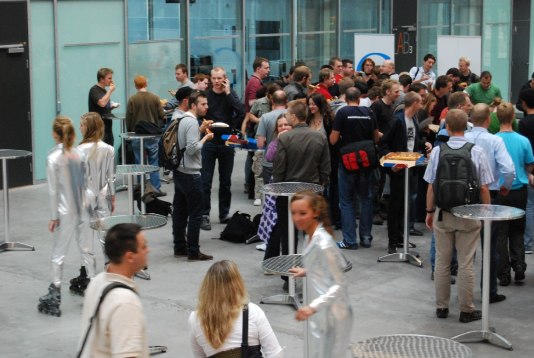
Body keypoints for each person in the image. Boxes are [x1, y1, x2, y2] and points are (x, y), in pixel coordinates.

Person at [424, 109, 493, 323]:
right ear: (467, 126)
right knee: (466, 262)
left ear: (447, 128)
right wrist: (484, 213)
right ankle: (466, 309)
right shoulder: (476, 151)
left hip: (443, 214)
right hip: (469, 213)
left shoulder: (437, 151)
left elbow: (431, 187)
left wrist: (429, 212)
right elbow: (483, 188)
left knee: (443, 262)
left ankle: (441, 307)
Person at [273, 100, 331, 290]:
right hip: (312, 193)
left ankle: (288, 277)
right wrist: (321, 186)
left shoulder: (285, 138)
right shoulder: (320, 137)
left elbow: (279, 169)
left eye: (288, 114)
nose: (287, 117)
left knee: (287, 236)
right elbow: (325, 167)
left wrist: (277, 192)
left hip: (289, 195)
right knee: (313, 235)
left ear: (294, 117)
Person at [288, 190, 352, 358]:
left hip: (334, 314)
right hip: (323, 311)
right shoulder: (309, 236)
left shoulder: (323, 243)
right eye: (294, 213)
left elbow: (339, 284)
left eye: (303, 213)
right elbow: (324, 267)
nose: (297, 218)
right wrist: (309, 270)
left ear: (315, 213)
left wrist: (312, 307)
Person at [39, 116, 92, 317]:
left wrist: (54, 217)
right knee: (87, 250)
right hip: (83, 208)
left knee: (58, 253)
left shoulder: (53, 158)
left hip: (65, 211)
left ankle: (54, 294)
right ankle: (95, 288)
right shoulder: (79, 153)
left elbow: (53, 191)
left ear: (55, 135)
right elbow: (86, 182)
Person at [465, 103, 515, 303]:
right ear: (488, 120)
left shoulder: (463, 139)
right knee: (490, 247)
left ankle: (465, 292)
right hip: (490, 195)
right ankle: (489, 291)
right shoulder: (495, 141)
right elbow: (509, 169)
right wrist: (506, 186)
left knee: (465, 248)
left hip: (465, 197)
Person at [77, 223, 150, 358]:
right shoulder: (125, 302)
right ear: (129, 257)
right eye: (143, 247)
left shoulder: (97, 282)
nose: (148, 250)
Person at [189, 260, 283, 358]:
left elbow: (199, 356)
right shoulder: (252, 311)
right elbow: (275, 353)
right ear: (237, 284)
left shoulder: (195, 318)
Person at [379, 92, 431, 254]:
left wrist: (424, 144)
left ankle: (401, 238)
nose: (421, 106)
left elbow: (411, 143)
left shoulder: (413, 121)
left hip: (410, 170)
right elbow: (383, 144)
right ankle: (392, 241)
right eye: (420, 103)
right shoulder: (397, 121)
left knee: (404, 205)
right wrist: (391, 165)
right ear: (414, 103)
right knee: (395, 206)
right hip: (399, 171)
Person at [71, 112, 116, 295]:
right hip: (103, 196)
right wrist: (112, 197)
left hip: (84, 198)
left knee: (85, 239)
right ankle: (111, 271)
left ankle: (89, 278)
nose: (79, 128)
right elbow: (111, 176)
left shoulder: (78, 151)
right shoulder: (109, 149)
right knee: (105, 234)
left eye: (82, 124)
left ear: (88, 127)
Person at [331, 87, 378, 249]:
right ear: (359, 99)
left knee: (346, 201)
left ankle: (350, 240)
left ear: (345, 99)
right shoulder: (369, 113)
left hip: (347, 161)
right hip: (366, 161)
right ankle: (365, 237)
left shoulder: (342, 113)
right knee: (366, 199)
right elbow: (376, 137)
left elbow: (333, 139)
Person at [200, 66, 245, 230]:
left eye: (220, 78)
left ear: (225, 78)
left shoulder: (230, 94)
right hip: (209, 140)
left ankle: (224, 213)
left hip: (228, 140)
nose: (217, 81)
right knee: (206, 181)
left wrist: (228, 92)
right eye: (214, 78)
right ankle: (204, 214)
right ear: (210, 79)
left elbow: (241, 111)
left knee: (226, 182)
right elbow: (199, 113)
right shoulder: (206, 96)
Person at [495, 101, 534, 286]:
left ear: (497, 117)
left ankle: (503, 272)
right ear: (513, 118)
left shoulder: (494, 140)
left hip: (501, 190)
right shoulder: (523, 140)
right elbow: (529, 163)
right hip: (519, 189)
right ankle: (519, 263)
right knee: (518, 228)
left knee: (502, 232)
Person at [173, 91, 215, 262]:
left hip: (180, 172)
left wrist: (200, 130)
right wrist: (206, 138)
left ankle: (179, 247)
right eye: (203, 104)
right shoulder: (190, 122)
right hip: (191, 173)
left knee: (180, 212)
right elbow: (192, 148)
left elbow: (185, 142)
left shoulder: (183, 119)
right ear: (193, 105)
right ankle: (193, 252)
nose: (207, 107)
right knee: (196, 214)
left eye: (206, 103)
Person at [125, 75, 165, 193]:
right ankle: (155, 188)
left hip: (138, 135)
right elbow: (160, 115)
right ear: (146, 84)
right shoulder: (154, 98)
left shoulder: (132, 99)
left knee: (139, 162)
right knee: (153, 161)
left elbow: (129, 117)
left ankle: (141, 187)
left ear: (135, 86)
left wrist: (130, 131)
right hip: (152, 135)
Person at [307, 93, 340, 227]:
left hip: (328, 159)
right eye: (309, 104)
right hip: (311, 161)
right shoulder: (308, 120)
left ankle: (332, 218)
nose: (311, 107)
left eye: (313, 104)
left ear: (320, 104)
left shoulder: (329, 120)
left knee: (329, 190)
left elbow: (334, 142)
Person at [257, 90, 288, 184]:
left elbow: (260, 144)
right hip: (289, 164)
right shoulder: (292, 116)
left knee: (270, 195)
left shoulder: (265, 117)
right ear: (287, 101)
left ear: (272, 102)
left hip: (270, 163)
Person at [518, 88, 534, 255]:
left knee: (529, 206)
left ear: (523, 103)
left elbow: (525, 152)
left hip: (530, 169)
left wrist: (528, 171)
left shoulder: (524, 124)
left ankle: (528, 244)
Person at [88, 68, 118, 146]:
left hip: (107, 127)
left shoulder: (104, 91)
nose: (111, 80)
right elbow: (102, 103)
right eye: (109, 78)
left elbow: (104, 106)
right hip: (98, 128)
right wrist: (110, 91)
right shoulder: (94, 90)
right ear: (101, 79)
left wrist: (111, 107)